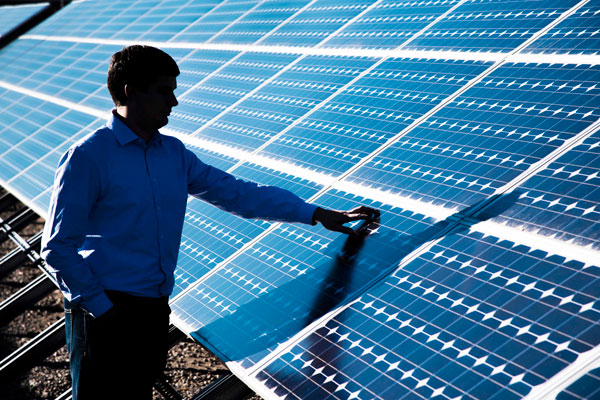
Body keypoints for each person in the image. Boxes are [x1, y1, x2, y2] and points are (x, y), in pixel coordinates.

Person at [41, 45, 378, 399]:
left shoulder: (173, 154)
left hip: (152, 309)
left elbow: (238, 193)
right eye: (164, 91)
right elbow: (57, 249)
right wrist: (104, 311)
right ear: (130, 91)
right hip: (103, 312)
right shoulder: (89, 157)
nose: (173, 102)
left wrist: (315, 213)